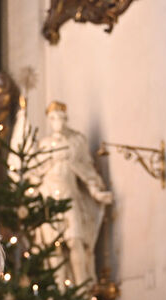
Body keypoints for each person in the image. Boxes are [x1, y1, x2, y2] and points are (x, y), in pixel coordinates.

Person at [32, 101, 113, 287]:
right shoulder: (44, 145)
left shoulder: (76, 142)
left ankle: (82, 290)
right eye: (53, 118)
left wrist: (96, 192)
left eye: (60, 117)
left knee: (76, 241)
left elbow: (87, 170)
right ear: (49, 120)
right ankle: (59, 291)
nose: (57, 122)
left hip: (70, 195)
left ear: (65, 118)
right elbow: (35, 174)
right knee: (53, 247)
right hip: (49, 197)